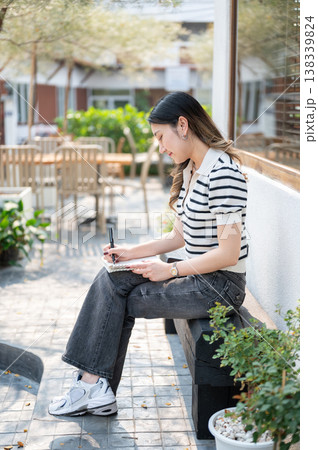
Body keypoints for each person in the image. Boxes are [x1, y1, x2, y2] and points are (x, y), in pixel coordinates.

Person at [48, 91, 248, 417]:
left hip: (220, 286)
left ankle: (92, 387)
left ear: (182, 125)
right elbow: (178, 236)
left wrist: (170, 271)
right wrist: (130, 253)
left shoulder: (222, 174)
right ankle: (94, 389)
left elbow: (227, 254)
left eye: (160, 136)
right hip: (197, 274)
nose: (160, 147)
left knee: (115, 297)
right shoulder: (193, 170)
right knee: (113, 277)